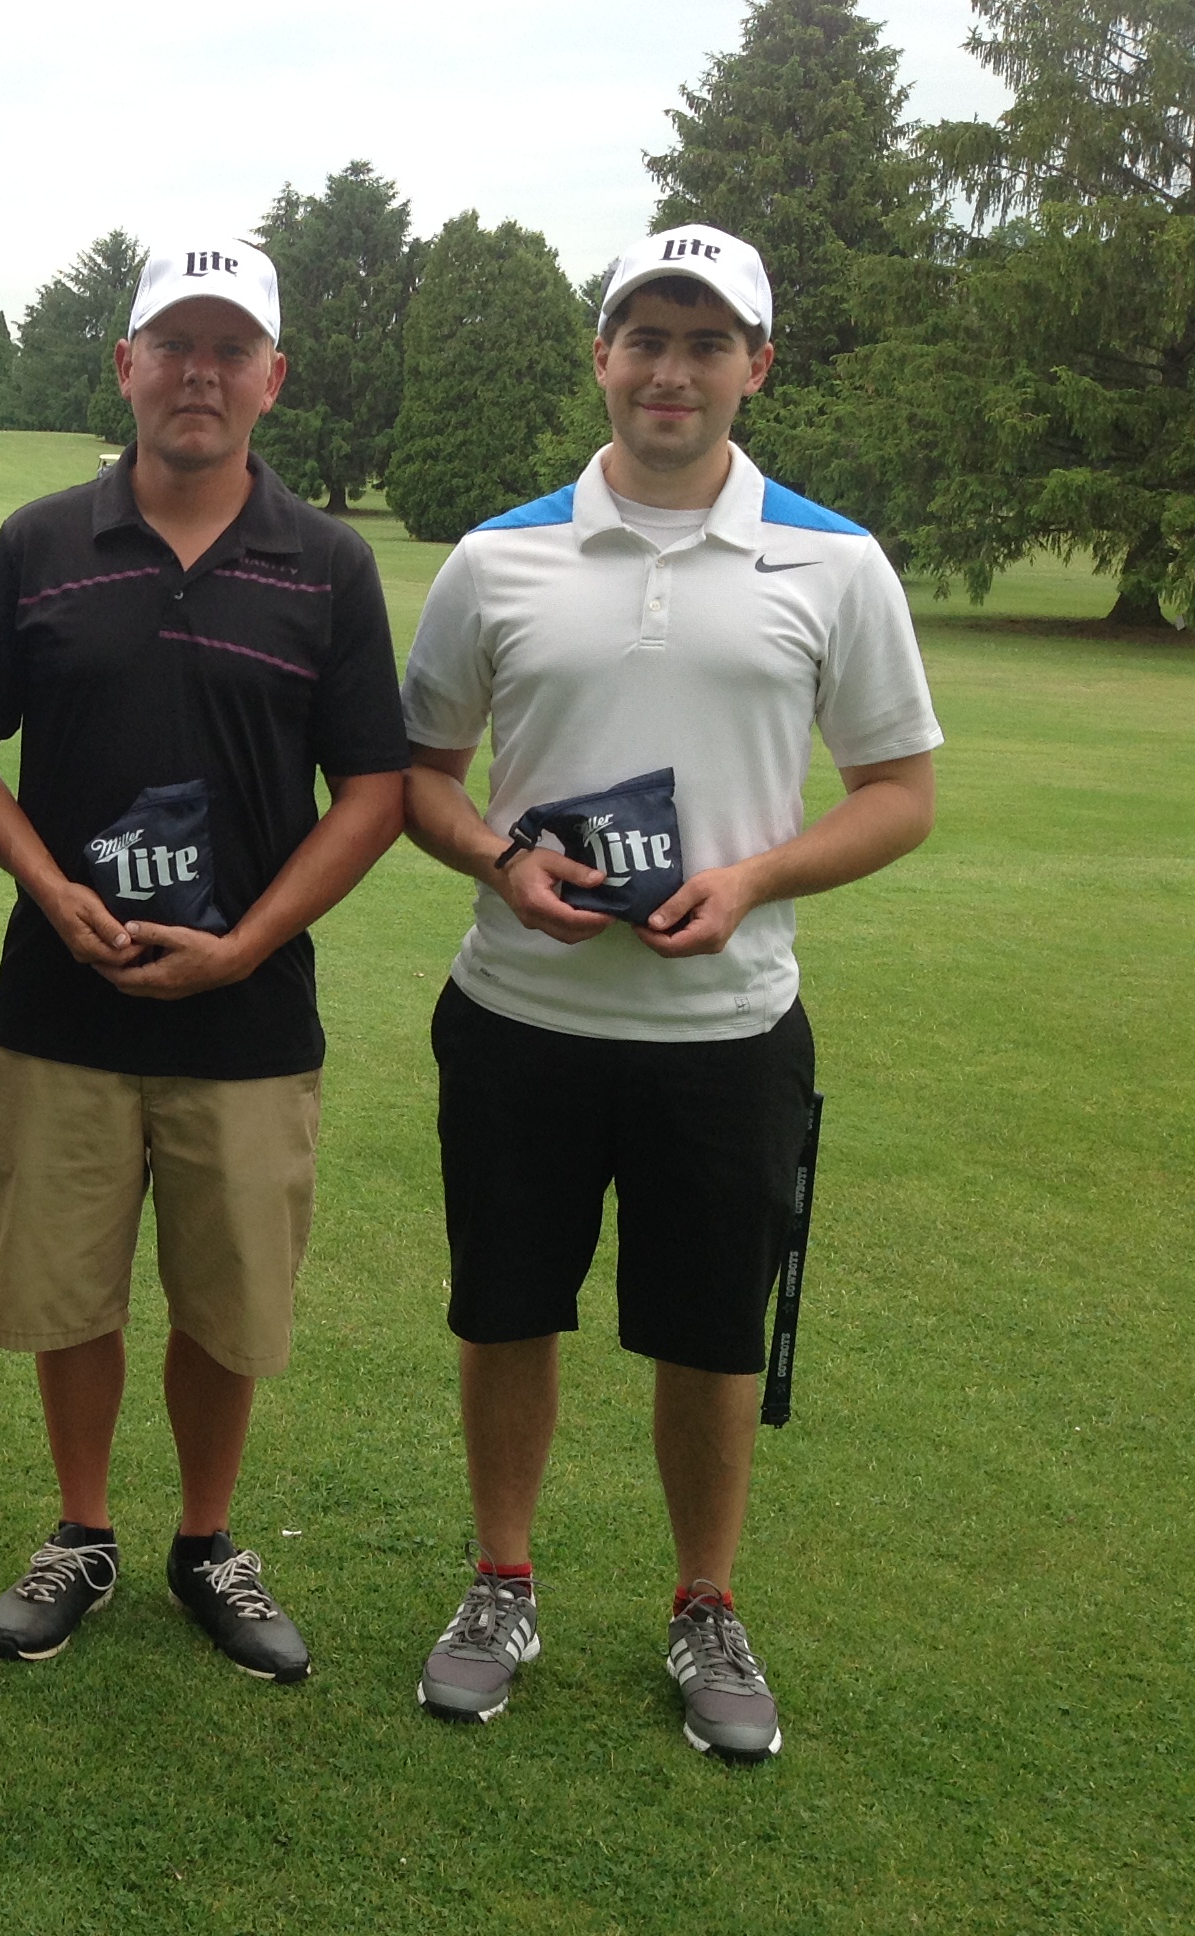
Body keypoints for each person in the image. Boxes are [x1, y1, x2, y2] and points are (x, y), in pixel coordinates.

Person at [398, 224, 941, 1758]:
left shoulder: (832, 559)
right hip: (518, 1015)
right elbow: (422, 777)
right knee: (507, 1311)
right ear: (604, 357)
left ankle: (706, 1604)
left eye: (708, 343)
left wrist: (755, 877)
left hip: (727, 1031)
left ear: (756, 367)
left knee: (708, 1335)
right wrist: (504, 861)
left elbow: (899, 790)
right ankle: (502, 1582)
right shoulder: (500, 553)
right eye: (647, 336)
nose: (673, 370)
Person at [0, 241, 407, 1683]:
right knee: (69, 1290)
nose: (198, 373)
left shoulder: (326, 564)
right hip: (62, 1001)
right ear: (126, 364)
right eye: (172, 343)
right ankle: (83, 1532)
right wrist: (45, 882)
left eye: (229, 348)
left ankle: (208, 1540)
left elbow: (377, 788)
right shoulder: (37, 546)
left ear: (272, 377)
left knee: (226, 1301)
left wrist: (251, 942)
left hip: (249, 1015)